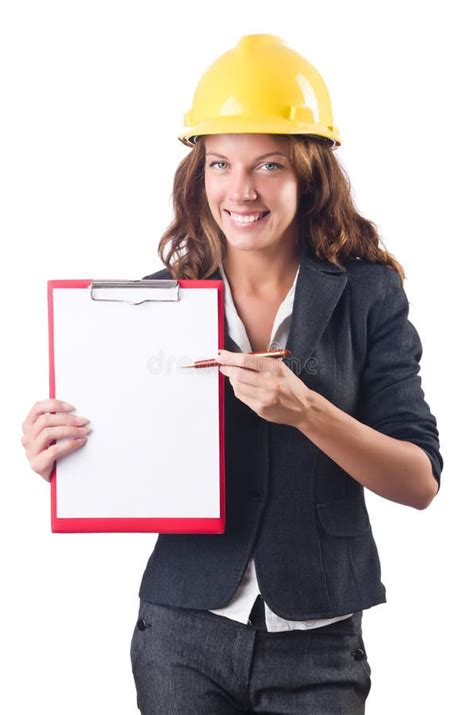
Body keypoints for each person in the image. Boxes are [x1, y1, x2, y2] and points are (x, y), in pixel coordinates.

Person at [21, 34, 443, 714]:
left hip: (320, 640)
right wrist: (66, 454)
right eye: (220, 163)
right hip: (180, 632)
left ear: (310, 174)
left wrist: (308, 409)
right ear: (200, 174)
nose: (241, 190)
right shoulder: (152, 306)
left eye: (269, 165)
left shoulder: (369, 296)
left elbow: (420, 480)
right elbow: (129, 457)